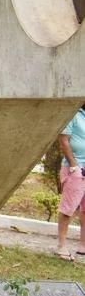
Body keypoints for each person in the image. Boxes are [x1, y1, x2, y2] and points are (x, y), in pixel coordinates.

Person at [56, 104, 85, 261]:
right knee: (68, 209)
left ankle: (83, 246)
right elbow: (64, 140)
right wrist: (74, 166)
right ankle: (61, 247)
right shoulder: (74, 114)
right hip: (75, 169)